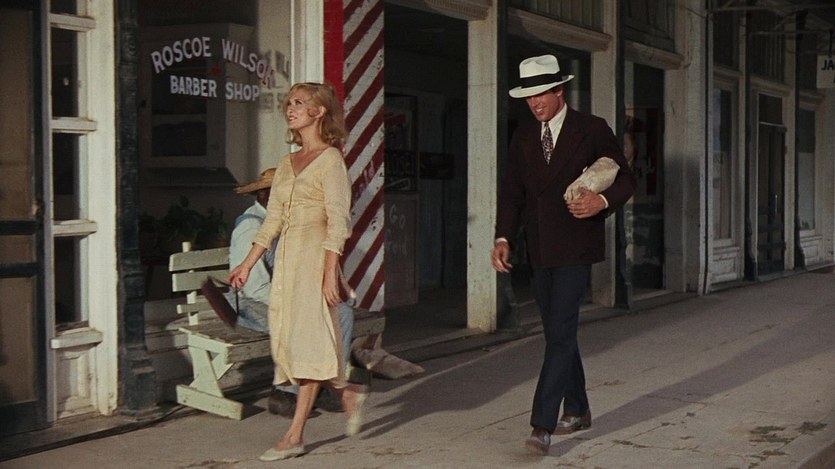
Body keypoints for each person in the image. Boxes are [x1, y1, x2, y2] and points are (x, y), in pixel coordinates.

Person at [491, 55, 636, 455]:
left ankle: (542, 425)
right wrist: (503, 237)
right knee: (559, 332)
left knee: (559, 332)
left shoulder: (592, 129)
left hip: (575, 246)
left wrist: (601, 201)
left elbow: (626, 179)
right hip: (539, 249)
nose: (535, 103)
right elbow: (512, 193)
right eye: (528, 97)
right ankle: (578, 407)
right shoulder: (523, 136)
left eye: (541, 94)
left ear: (559, 90)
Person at [228, 81, 367, 462]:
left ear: (318, 112)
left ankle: (294, 436)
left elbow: (338, 222)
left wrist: (329, 273)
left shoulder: (331, 160)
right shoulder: (287, 164)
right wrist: (246, 264)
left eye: (299, 103)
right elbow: (271, 222)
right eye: (288, 103)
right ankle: (345, 390)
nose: (290, 109)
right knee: (292, 343)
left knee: (309, 343)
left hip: (315, 260)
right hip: (288, 264)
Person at [224, 168, 354, 417]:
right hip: (249, 306)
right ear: (265, 195)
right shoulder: (251, 227)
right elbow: (254, 288)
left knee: (343, 314)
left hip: (279, 297)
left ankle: (324, 384)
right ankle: (284, 394)